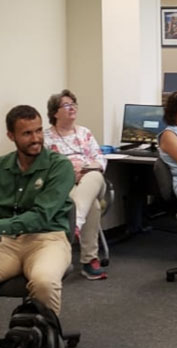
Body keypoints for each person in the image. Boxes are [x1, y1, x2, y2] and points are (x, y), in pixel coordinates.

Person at [0, 105, 75, 315]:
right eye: (27, 133)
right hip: (8, 242)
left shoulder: (59, 166)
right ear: (10, 135)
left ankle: (43, 343)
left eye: (39, 130)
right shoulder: (2, 166)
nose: (36, 138)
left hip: (48, 239)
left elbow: (41, 216)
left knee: (45, 282)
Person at [44, 89, 108, 280]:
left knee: (95, 176)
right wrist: (68, 173)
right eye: (66, 105)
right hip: (65, 184)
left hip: (91, 180)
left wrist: (87, 168)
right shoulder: (47, 138)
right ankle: (89, 261)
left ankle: (76, 223)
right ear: (55, 112)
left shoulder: (84, 133)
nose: (72, 107)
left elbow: (100, 159)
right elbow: (45, 168)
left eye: (73, 104)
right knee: (94, 206)